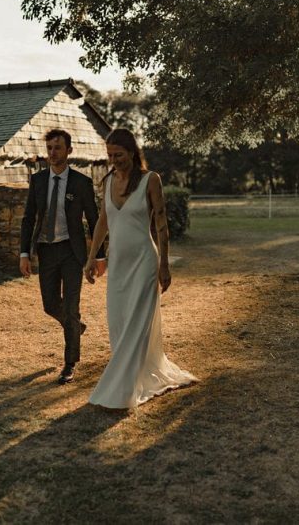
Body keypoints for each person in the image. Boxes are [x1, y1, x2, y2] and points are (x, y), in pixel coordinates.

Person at [83, 128, 198, 409]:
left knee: (137, 323)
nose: (114, 160)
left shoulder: (151, 180)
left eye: (119, 155)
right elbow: (102, 222)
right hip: (118, 264)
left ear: (132, 152)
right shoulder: (107, 181)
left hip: (145, 262)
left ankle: (123, 388)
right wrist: (90, 258)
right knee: (119, 322)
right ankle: (133, 374)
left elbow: (161, 224)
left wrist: (164, 265)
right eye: (110, 155)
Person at [20, 129, 106, 384]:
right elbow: (28, 219)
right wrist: (25, 253)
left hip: (71, 251)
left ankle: (70, 363)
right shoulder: (38, 181)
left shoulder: (81, 182)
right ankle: (75, 327)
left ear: (69, 150)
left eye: (58, 148)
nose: (53, 153)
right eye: (49, 148)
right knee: (50, 305)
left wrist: (98, 256)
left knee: (70, 307)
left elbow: (93, 220)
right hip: (46, 251)